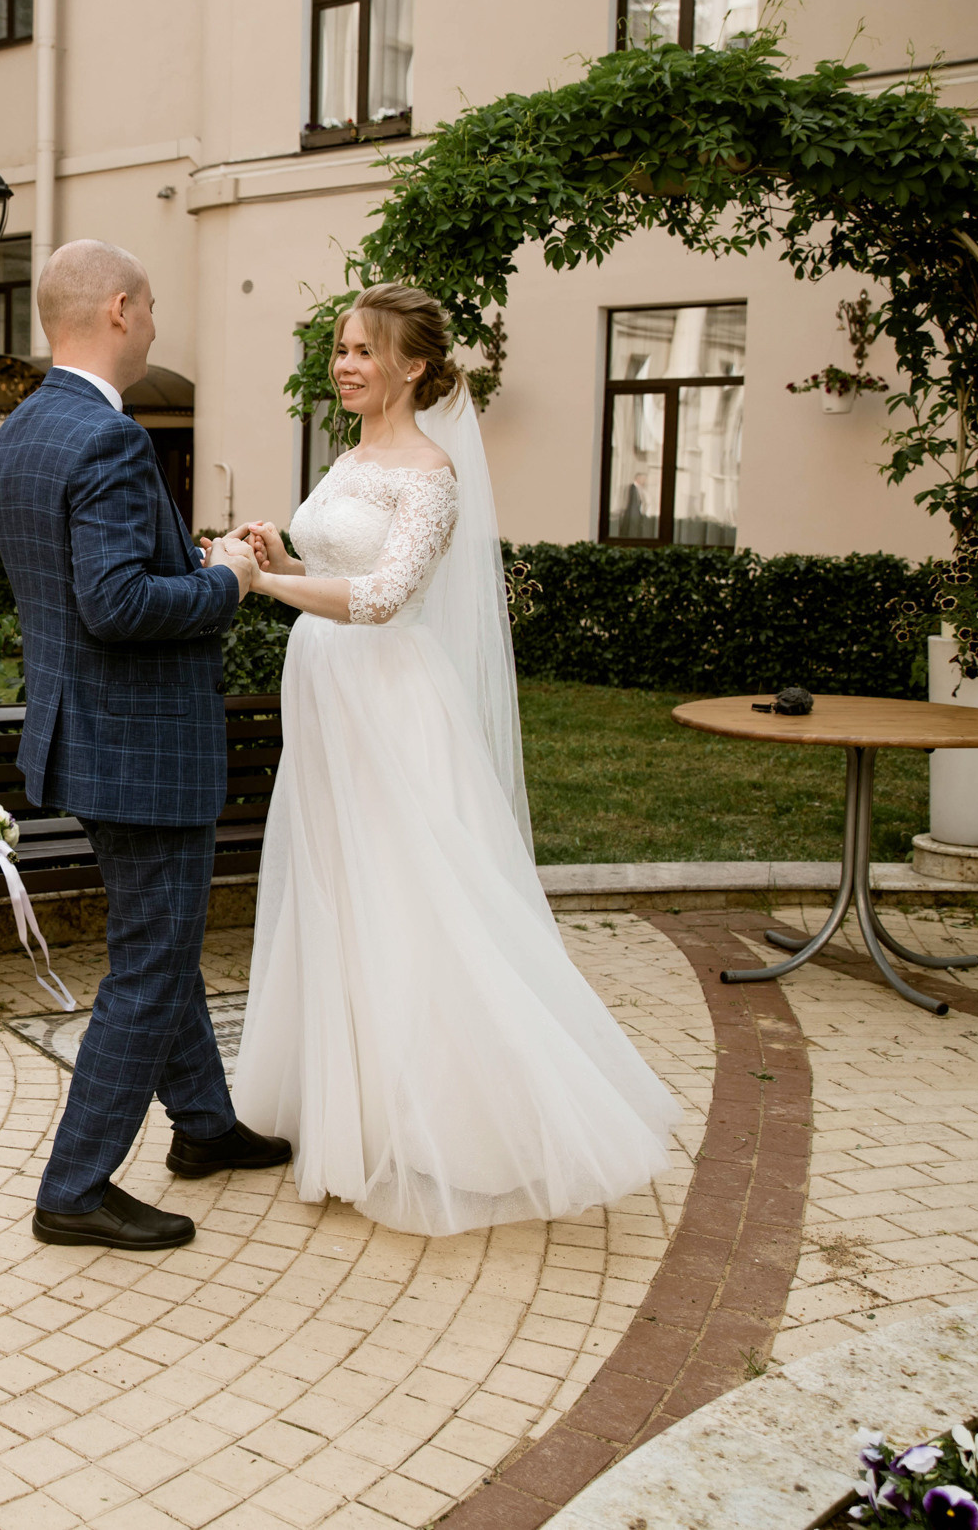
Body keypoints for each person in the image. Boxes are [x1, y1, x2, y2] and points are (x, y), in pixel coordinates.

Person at [226, 283, 678, 1237]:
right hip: (327, 695)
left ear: (414, 364)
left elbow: (386, 597)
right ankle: (343, 1115)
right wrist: (280, 550)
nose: (343, 364)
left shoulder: (431, 473)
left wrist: (266, 582)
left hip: (389, 704)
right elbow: (335, 568)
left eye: (360, 350)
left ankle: (450, 1128)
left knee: (408, 897)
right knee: (336, 889)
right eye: (340, 348)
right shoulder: (350, 454)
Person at [0, 239, 294, 1252]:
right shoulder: (107, 440)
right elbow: (115, 604)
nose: (158, 323)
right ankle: (74, 1187)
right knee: (151, 967)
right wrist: (229, 581)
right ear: (116, 309)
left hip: (86, 735)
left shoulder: (24, 429)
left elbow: (83, 590)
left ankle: (203, 1127)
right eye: (151, 305)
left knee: (158, 949)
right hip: (144, 747)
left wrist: (193, 558)